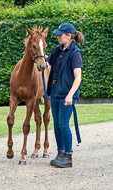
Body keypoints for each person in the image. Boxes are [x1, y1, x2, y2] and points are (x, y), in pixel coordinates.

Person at [46, 23, 84, 168]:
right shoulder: (58, 49)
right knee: (56, 125)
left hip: (67, 93)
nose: (58, 37)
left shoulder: (75, 53)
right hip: (55, 90)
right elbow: (49, 60)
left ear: (69, 36)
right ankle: (60, 153)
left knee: (63, 124)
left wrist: (70, 95)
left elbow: (78, 78)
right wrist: (46, 62)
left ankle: (68, 156)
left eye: (60, 35)